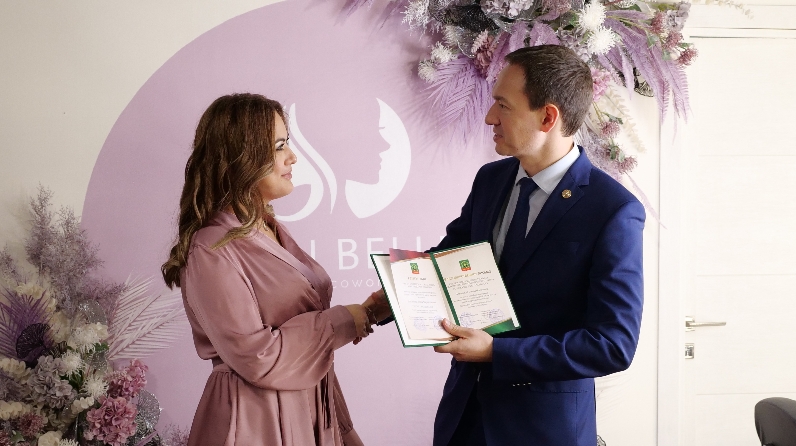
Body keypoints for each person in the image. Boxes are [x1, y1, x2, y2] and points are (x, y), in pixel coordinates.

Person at [428, 45, 646, 445]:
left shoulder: (613, 210)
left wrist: (497, 353)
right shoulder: (490, 180)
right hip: (464, 418)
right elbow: (449, 261)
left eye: (503, 105)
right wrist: (386, 300)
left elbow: (613, 345)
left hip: (543, 430)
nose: (489, 117)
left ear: (548, 117)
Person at [161, 93, 381, 446]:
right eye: (279, 146)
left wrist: (368, 312)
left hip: (308, 408)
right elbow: (257, 356)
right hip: (254, 421)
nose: (293, 156)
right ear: (242, 156)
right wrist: (344, 321)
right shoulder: (210, 249)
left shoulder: (268, 229)